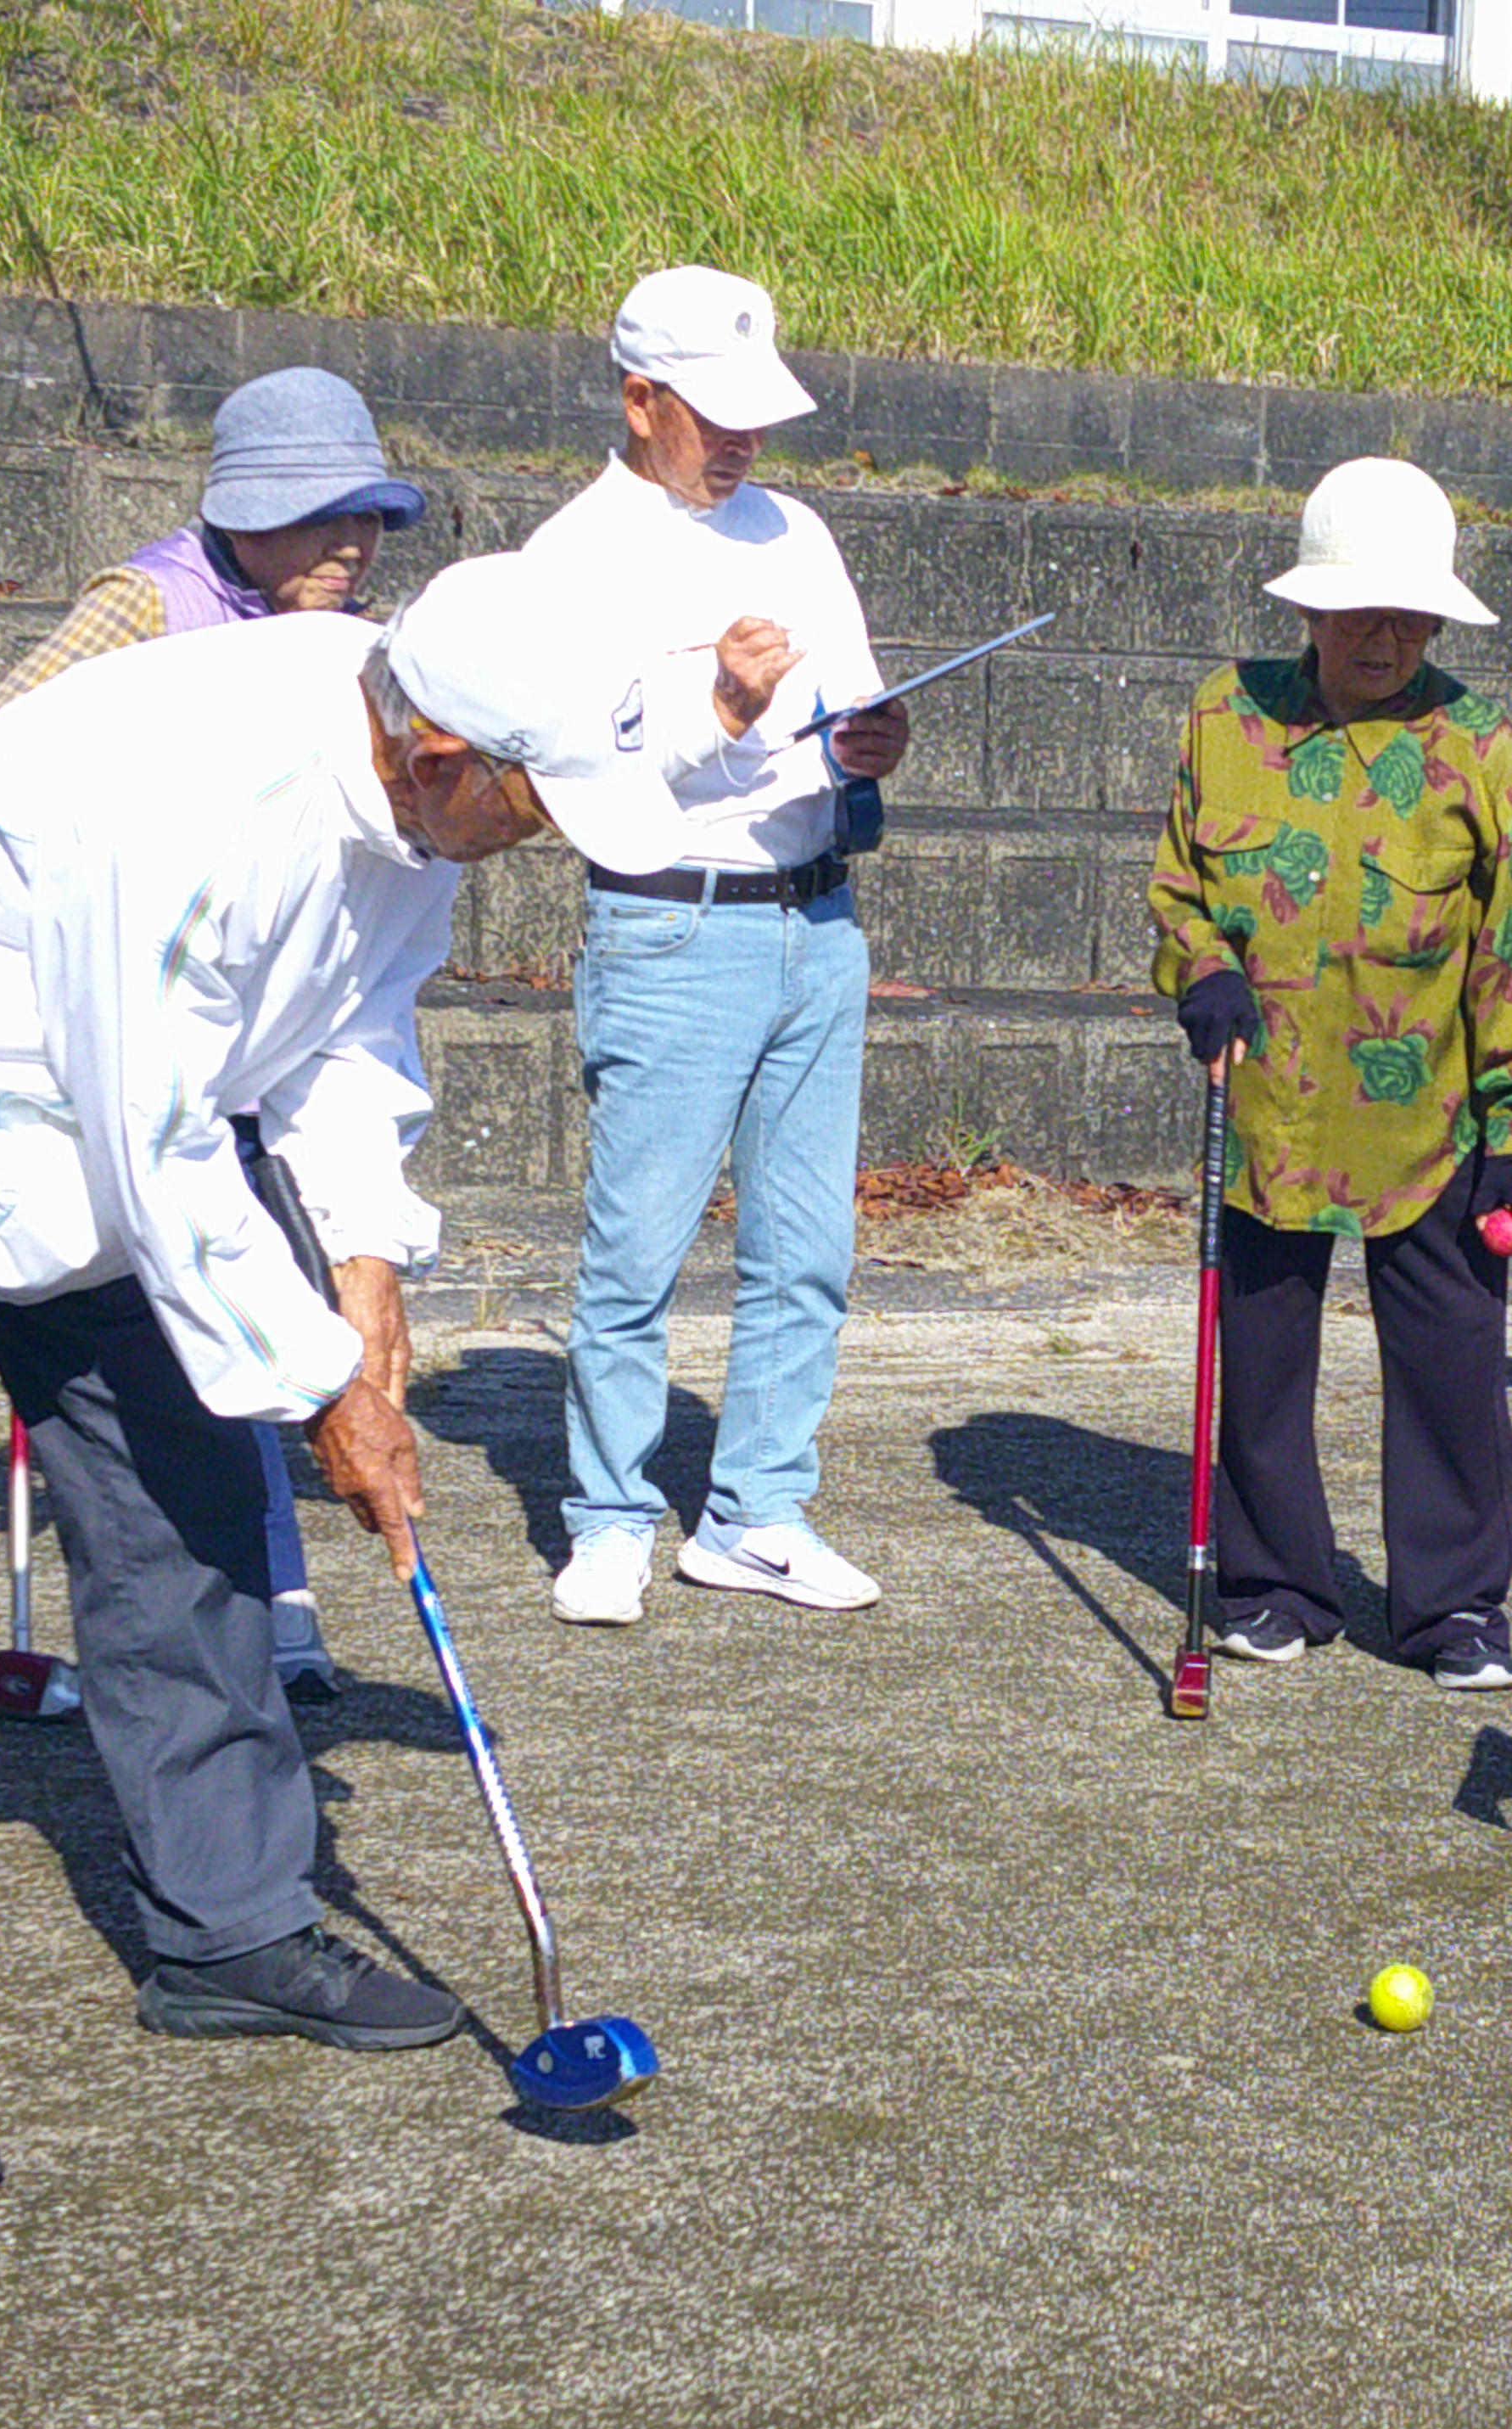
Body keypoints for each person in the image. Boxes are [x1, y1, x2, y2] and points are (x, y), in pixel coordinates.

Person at [0, 552, 699, 2196]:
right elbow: (161, 1137)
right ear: (442, 758)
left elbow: (344, 1025)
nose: (535, 842)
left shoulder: (413, 764)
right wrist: (326, 1385)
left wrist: (368, 1258)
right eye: (535, 808)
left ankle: (225, 1927)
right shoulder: (192, 798)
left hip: (98, 1166)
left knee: (186, 1518)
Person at [0, 366, 431, 1707]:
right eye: (320, 515)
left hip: (250, 1037)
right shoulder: (148, 605)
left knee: (266, 1305)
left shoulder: (358, 649)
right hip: (103, 1033)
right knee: (149, 1352)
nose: (352, 545)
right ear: (240, 512)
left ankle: (278, 1612)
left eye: (372, 518)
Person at [1147, 457, 1512, 1694]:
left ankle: (1454, 1609)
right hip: (1270, 1101)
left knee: (1452, 1369)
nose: (1386, 636)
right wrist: (1203, 972)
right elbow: (1183, 888)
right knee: (1262, 1363)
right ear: (1309, 607)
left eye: (1411, 614)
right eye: (1361, 610)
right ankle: (1275, 1582)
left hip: (1431, 1120)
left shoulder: (1484, 750)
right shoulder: (1227, 720)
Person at [521, 265, 911, 1627]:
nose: (743, 439)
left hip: (816, 914)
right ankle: (612, 1514)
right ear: (640, 400)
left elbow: (856, 697)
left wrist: (875, 740)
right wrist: (724, 704)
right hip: (671, 922)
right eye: (711, 413)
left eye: (759, 412)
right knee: (636, 1248)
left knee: (807, 1245)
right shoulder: (571, 556)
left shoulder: (795, 530)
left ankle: (756, 1509)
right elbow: (572, 763)